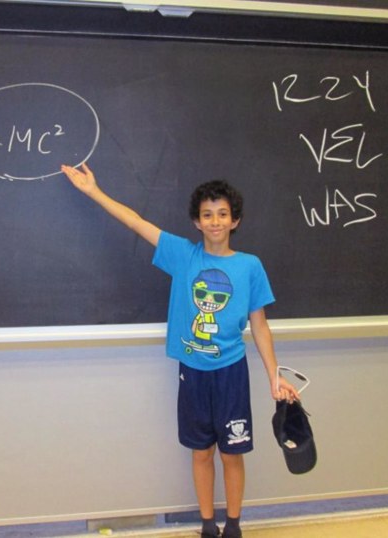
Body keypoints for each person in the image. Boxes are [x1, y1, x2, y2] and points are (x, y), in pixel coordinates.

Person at [61, 163, 300, 538]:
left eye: (223, 214)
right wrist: (93, 191)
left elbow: (260, 325)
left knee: (232, 453)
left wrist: (275, 375)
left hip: (231, 373)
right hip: (192, 372)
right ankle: (207, 524)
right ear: (197, 221)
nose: (215, 222)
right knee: (201, 451)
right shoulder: (183, 256)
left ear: (235, 220)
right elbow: (136, 222)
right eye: (208, 215)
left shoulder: (250, 266)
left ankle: (233, 525)